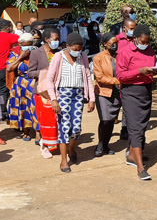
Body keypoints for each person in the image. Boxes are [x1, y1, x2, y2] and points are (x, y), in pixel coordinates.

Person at [45, 32, 94, 173]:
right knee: (64, 127)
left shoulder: (83, 57)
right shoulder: (58, 57)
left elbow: (88, 78)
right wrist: (54, 99)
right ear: (67, 46)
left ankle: (72, 147)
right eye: (75, 49)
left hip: (78, 95)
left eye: (80, 49)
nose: (77, 52)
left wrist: (91, 99)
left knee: (76, 127)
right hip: (63, 95)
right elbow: (49, 79)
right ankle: (64, 160)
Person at [117, 23, 156, 180]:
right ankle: (140, 168)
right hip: (130, 92)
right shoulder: (125, 52)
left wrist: (152, 71)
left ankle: (133, 156)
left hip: (145, 91)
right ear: (135, 38)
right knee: (135, 128)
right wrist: (139, 72)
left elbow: (151, 68)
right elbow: (120, 75)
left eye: (147, 42)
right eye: (142, 41)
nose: (145, 44)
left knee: (142, 125)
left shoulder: (150, 51)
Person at [27, 27, 61, 158]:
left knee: (56, 119)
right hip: (42, 92)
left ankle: (55, 143)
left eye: (57, 39)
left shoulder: (59, 53)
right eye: (55, 39)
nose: (57, 41)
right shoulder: (36, 53)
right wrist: (45, 72)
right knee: (46, 120)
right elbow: (30, 73)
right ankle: (44, 145)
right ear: (47, 40)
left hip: (57, 90)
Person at [92, 32, 121, 157]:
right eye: (112, 43)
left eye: (116, 43)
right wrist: (116, 81)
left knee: (111, 121)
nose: (115, 45)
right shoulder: (98, 58)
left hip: (117, 92)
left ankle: (106, 145)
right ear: (105, 44)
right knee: (104, 120)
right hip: (103, 92)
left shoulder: (120, 56)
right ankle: (100, 144)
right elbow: (99, 77)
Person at [6, 33, 39, 141]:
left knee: (34, 107)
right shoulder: (14, 55)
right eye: (26, 45)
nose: (28, 47)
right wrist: (21, 57)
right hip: (20, 85)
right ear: (20, 44)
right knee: (23, 107)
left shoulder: (37, 53)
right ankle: (26, 132)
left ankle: (38, 132)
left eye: (30, 44)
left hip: (33, 83)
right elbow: (9, 68)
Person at [0, 19, 19, 115]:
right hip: (3, 67)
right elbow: (24, 39)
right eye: (11, 27)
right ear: (8, 28)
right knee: (3, 91)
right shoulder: (9, 37)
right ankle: (2, 111)